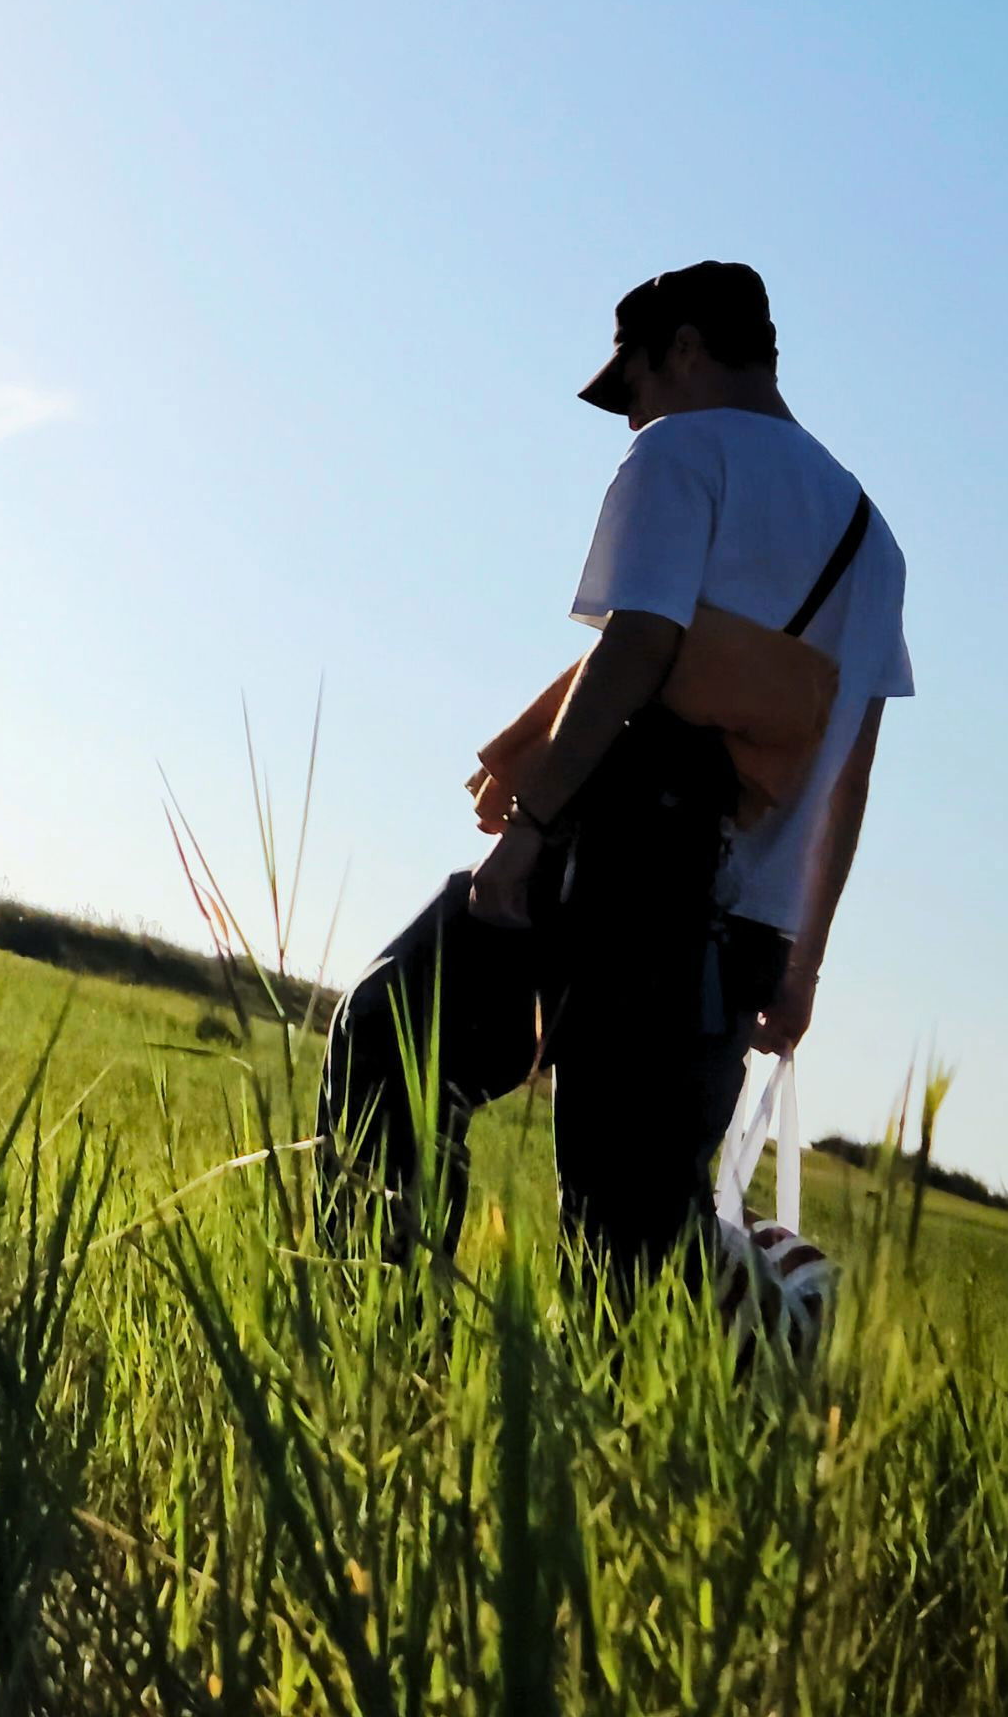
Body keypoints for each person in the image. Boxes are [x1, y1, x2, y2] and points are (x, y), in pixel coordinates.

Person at [317, 261, 912, 1289]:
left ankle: (381, 1341)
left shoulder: (683, 454)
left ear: (683, 348)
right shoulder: (874, 542)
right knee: (626, 1245)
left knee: (390, 1044)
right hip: (742, 936)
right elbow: (850, 774)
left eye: (630, 386)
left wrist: (529, 828)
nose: (630, 418)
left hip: (618, 874)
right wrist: (802, 965)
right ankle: (766, 1334)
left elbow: (636, 645)